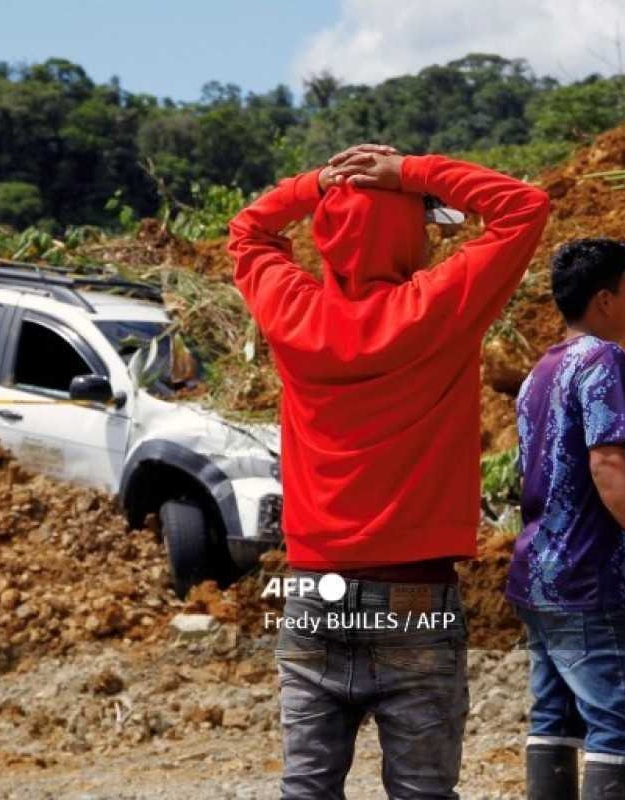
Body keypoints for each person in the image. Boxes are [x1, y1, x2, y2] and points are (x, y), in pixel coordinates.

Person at [229, 146, 550, 799]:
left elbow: (248, 230)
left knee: (307, 790)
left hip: (314, 598)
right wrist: (410, 172)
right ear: (411, 231)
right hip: (417, 601)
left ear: (326, 235)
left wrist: (316, 183)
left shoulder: (296, 312)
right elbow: (524, 207)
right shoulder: (437, 308)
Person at [508, 238, 625, 800]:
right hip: (587, 575)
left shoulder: (540, 371)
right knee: (614, 722)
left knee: (554, 718)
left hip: (537, 575)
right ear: (605, 300)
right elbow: (608, 463)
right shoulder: (604, 361)